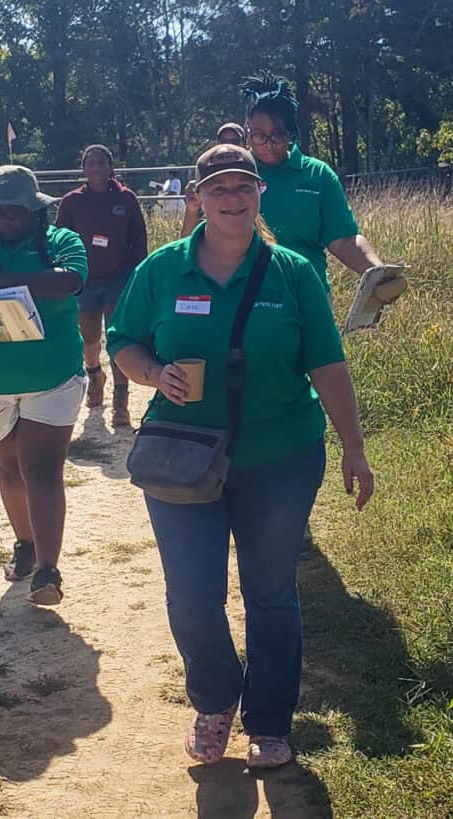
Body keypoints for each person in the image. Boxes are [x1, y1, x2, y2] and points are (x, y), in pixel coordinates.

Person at [107, 144, 374, 770]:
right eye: (218, 188)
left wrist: (354, 448)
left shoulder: (292, 273)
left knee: (271, 592)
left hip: (280, 455)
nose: (232, 199)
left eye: (243, 188)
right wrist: (153, 372)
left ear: (259, 196)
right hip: (183, 456)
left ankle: (271, 721)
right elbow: (123, 340)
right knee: (193, 595)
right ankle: (215, 699)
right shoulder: (162, 270)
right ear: (199, 196)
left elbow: (328, 364)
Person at [0, 165, 88, 605]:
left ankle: (48, 570)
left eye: (16, 212)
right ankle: (26, 544)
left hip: (51, 376)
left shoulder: (62, 243)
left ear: (37, 212)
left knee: (42, 468)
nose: (6, 221)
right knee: (9, 468)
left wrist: (4, 282)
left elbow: (71, 282)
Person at [181, 75, 390, 295]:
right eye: (260, 136)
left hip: (307, 296)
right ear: (248, 131)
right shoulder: (234, 176)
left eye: (278, 135)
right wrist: (191, 210)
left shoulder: (317, 175)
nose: (269, 144)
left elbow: (343, 240)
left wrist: (377, 272)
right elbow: (191, 246)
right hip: (243, 297)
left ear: (291, 133)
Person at [55, 144, 147, 426]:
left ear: (111, 167)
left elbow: (139, 239)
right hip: (85, 279)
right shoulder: (72, 201)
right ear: (83, 168)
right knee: (90, 338)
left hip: (118, 277)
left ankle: (121, 400)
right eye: (90, 163)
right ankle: (95, 375)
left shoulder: (126, 199)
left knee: (117, 337)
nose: (96, 168)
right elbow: (60, 237)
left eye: (101, 163)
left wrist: (135, 273)